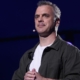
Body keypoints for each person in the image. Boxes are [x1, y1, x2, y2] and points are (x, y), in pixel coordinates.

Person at [12, 0, 80, 80]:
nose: (39, 19)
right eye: (37, 16)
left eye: (45, 16)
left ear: (57, 22)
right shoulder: (27, 56)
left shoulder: (70, 52)